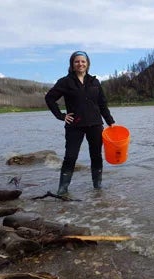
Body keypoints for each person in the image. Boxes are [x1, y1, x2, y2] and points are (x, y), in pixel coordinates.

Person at [45, 51, 115, 195]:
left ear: (87, 64)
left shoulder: (94, 81)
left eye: (83, 61)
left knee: (96, 156)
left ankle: (97, 187)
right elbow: (50, 98)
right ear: (72, 64)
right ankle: (63, 189)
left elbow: (102, 104)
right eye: (77, 61)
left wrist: (110, 122)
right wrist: (61, 115)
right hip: (74, 125)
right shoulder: (65, 81)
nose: (80, 64)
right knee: (70, 156)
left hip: (95, 124)